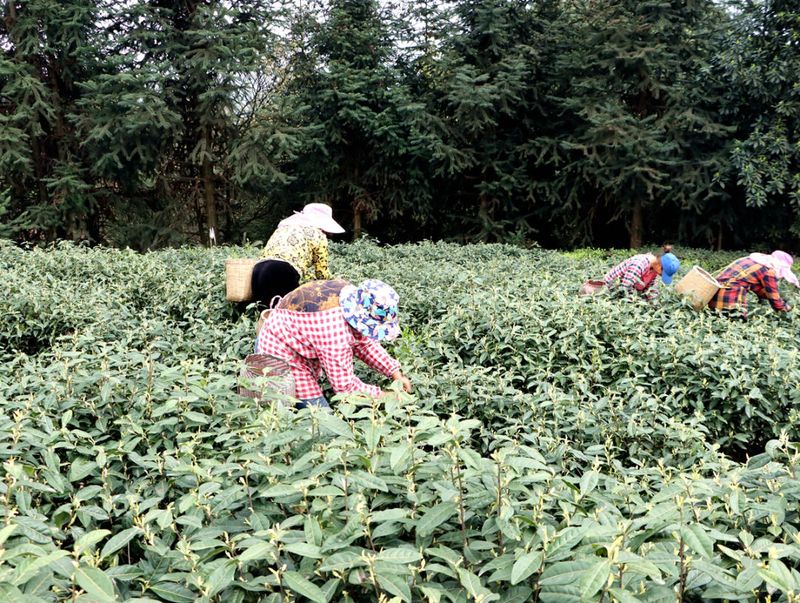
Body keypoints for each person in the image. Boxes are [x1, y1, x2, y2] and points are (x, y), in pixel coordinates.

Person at [255, 278, 412, 409]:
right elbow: (345, 389)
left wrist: (395, 374)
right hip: (279, 350)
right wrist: (388, 397)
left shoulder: (350, 295)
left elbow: (366, 344)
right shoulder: (333, 329)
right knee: (320, 420)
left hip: (295, 337)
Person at [251, 203, 345, 309]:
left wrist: (309, 278)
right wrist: (337, 283)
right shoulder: (319, 235)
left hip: (258, 269)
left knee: (263, 314)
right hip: (282, 271)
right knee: (287, 313)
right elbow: (322, 275)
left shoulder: (285, 228)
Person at [708, 250, 797, 319]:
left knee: (717, 318)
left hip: (714, 290)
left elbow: (755, 286)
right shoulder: (770, 271)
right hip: (730, 295)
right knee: (736, 321)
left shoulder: (755, 261)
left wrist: (774, 297)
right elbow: (774, 298)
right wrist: (786, 308)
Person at [602, 245, 680, 301]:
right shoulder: (639, 264)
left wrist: (655, 301)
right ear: (659, 265)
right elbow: (624, 288)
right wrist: (640, 301)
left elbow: (650, 288)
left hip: (627, 292)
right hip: (608, 291)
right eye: (663, 273)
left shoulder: (654, 268)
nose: (661, 275)